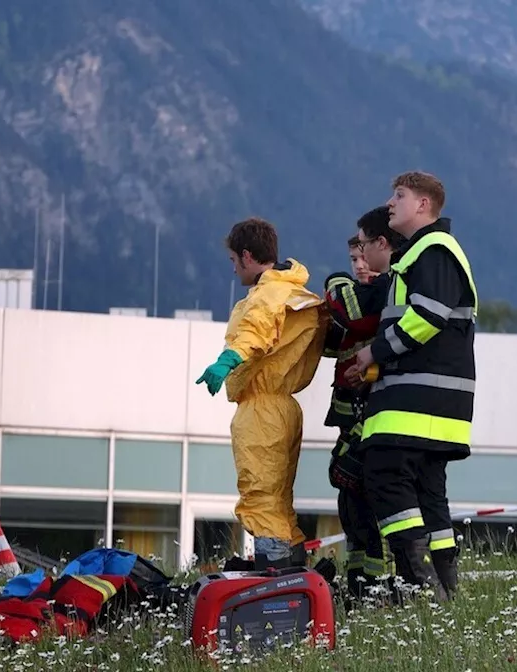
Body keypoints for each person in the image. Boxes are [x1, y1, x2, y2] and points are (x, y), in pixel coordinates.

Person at [346, 171, 477, 601]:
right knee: (427, 493)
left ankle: (419, 586)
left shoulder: (433, 249)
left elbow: (429, 315)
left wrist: (373, 354)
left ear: (423, 205)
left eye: (399, 195)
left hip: (416, 404)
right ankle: (445, 593)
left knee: (384, 474)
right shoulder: (417, 256)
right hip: (434, 409)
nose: (390, 203)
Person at [195, 217, 328, 570]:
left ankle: (274, 575)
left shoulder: (268, 294)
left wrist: (226, 361)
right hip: (284, 405)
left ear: (247, 256)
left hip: (262, 407)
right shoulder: (295, 292)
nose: (234, 269)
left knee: (260, 495)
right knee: (280, 498)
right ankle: (293, 568)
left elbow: (256, 331)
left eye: (234, 261)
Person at [320, 207, 405, 608]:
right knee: (349, 506)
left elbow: (350, 309)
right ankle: (356, 582)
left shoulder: (379, 293)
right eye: (352, 260)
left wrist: (334, 283)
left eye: (363, 257)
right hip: (348, 416)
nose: (360, 267)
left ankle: (373, 585)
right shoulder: (355, 300)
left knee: (368, 500)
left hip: (371, 418)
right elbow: (331, 338)